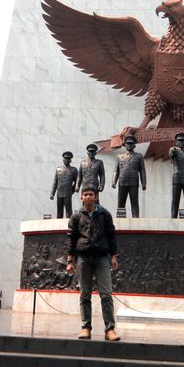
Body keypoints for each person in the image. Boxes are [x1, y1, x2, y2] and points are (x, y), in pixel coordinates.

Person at [66, 185, 120, 341]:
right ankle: (86, 327)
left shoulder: (105, 215)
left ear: (96, 197)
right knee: (84, 294)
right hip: (83, 258)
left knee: (106, 294)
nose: (88, 197)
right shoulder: (76, 216)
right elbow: (71, 237)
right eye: (85, 194)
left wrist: (114, 256)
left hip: (102, 257)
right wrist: (70, 260)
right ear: (81, 197)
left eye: (91, 194)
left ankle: (110, 329)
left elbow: (111, 235)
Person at [112, 135, 146, 217]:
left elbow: (142, 170)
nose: (129, 145)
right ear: (125, 144)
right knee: (121, 203)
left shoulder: (139, 156)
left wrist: (144, 183)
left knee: (134, 203)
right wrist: (114, 181)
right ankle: (120, 219)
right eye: (127, 143)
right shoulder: (120, 156)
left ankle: (136, 220)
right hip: (122, 182)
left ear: (134, 145)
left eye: (131, 144)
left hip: (133, 182)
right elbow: (116, 170)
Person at [50, 150, 78, 218]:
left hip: (68, 194)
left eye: (68, 159)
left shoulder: (74, 170)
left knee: (68, 212)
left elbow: (77, 182)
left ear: (70, 160)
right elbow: (55, 183)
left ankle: (70, 226)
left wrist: (72, 191)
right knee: (59, 212)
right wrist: (52, 193)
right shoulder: (58, 169)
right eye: (65, 158)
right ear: (63, 159)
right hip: (59, 194)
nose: (66, 160)